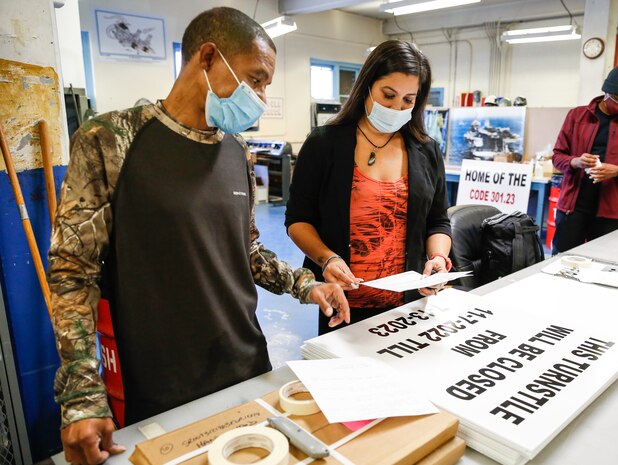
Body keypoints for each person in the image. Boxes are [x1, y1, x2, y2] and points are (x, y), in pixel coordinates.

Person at [47, 7, 350, 465]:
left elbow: (247, 249)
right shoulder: (111, 138)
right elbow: (73, 272)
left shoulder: (237, 151)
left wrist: (307, 285)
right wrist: (81, 393)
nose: (262, 97)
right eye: (257, 79)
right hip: (157, 378)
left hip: (244, 362)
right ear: (208, 58)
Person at [285, 40, 452, 335]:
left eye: (407, 100)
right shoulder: (325, 144)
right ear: (366, 86)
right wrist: (327, 258)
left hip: (409, 307)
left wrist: (437, 258)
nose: (396, 107)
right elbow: (298, 219)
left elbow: (438, 221)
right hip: (345, 305)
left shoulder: (427, 151)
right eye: (388, 95)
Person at [552, 64, 618, 254]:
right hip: (574, 208)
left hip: (611, 212)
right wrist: (576, 162)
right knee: (561, 259)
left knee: (601, 263)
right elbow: (557, 156)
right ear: (606, 92)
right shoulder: (577, 116)